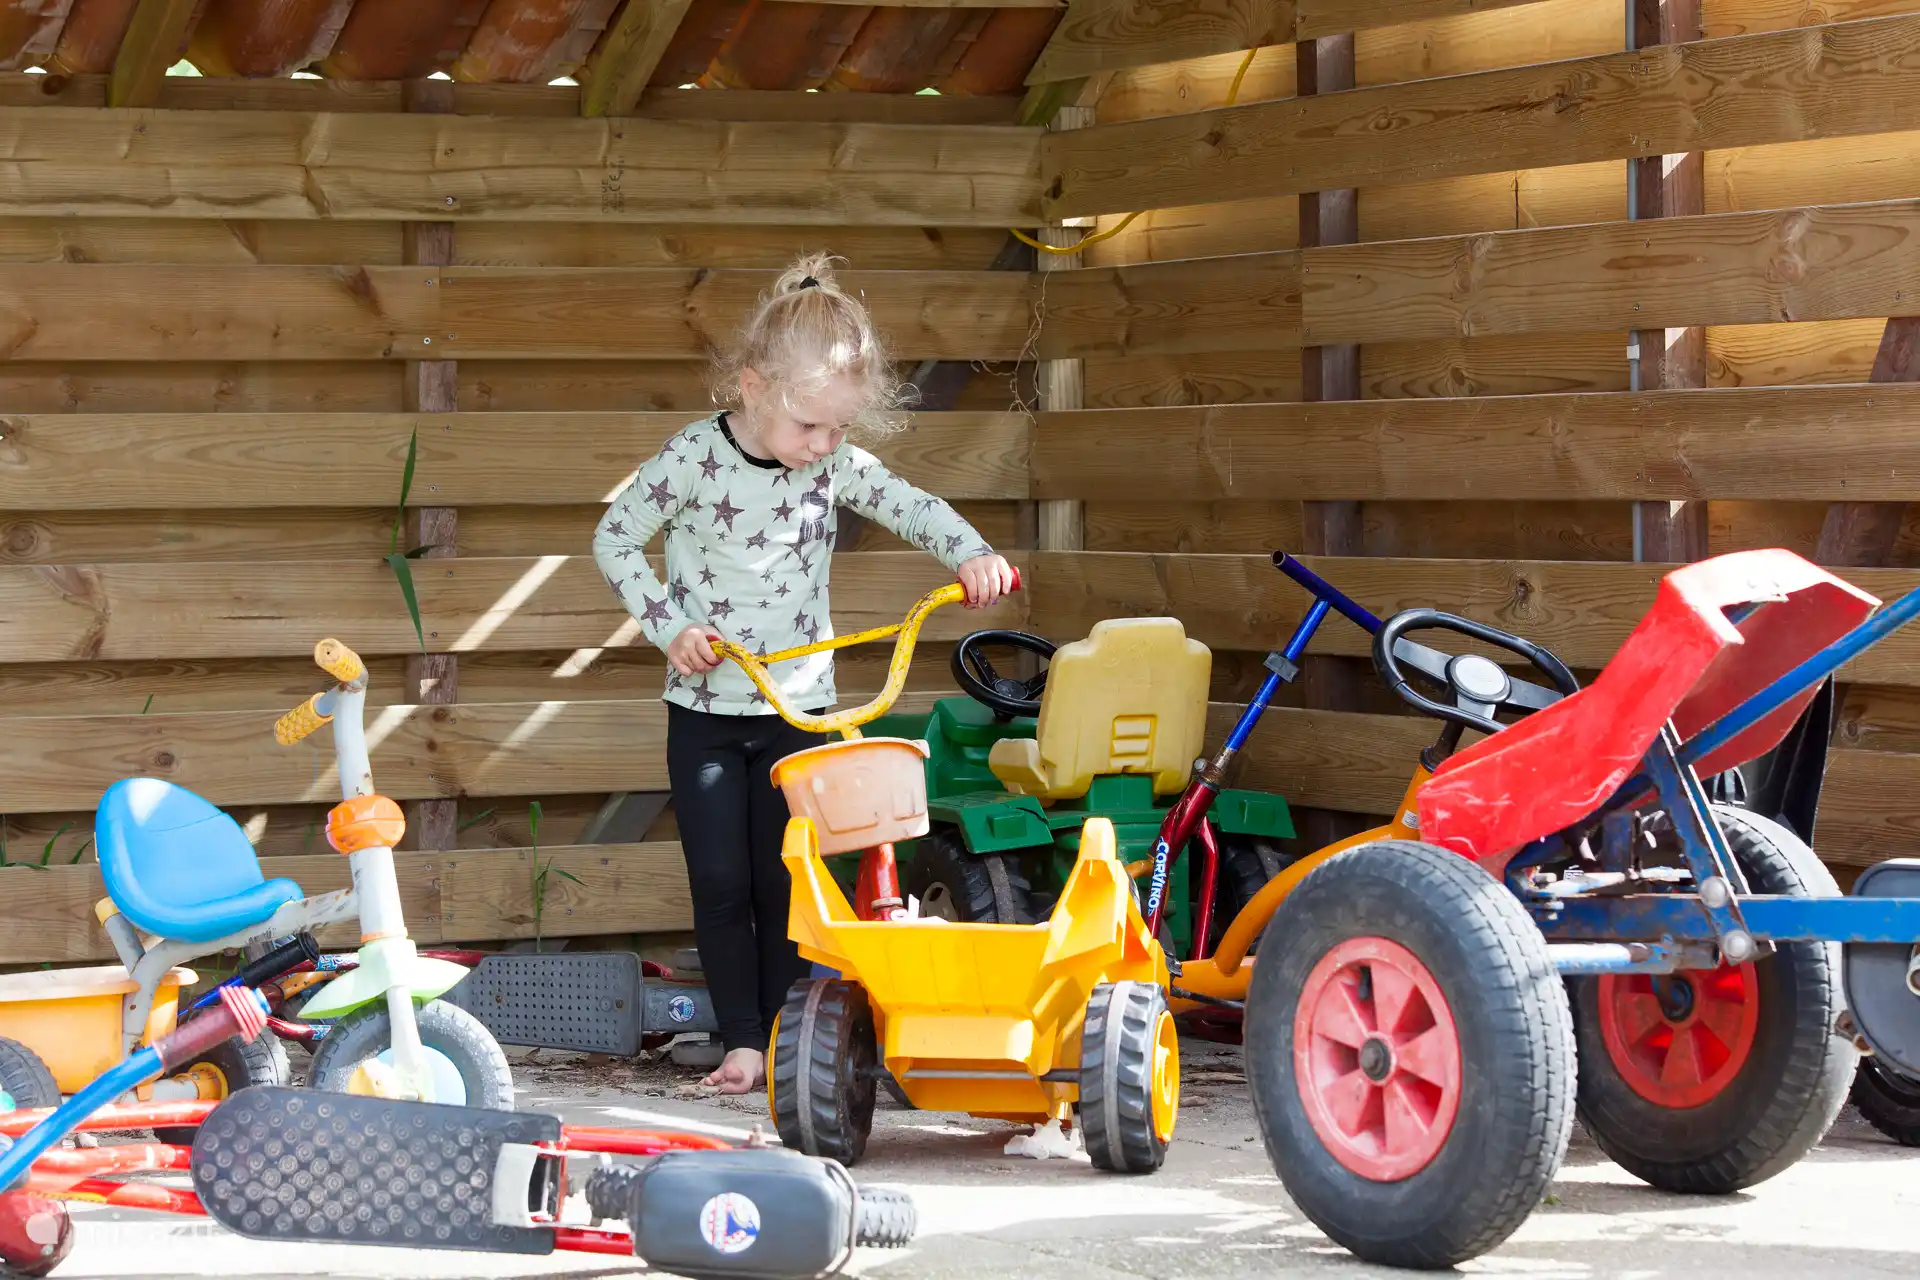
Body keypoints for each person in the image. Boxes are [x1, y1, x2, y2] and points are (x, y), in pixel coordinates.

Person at [592, 252, 1016, 1094]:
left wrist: (972, 553)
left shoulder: (833, 464)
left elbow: (910, 504)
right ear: (752, 388)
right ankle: (741, 1041)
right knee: (720, 880)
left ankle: (790, 1040)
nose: (823, 446)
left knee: (794, 877)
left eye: (837, 430)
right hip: (707, 710)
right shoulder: (693, 459)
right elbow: (613, 537)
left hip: (801, 710)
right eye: (809, 428)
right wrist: (669, 626)